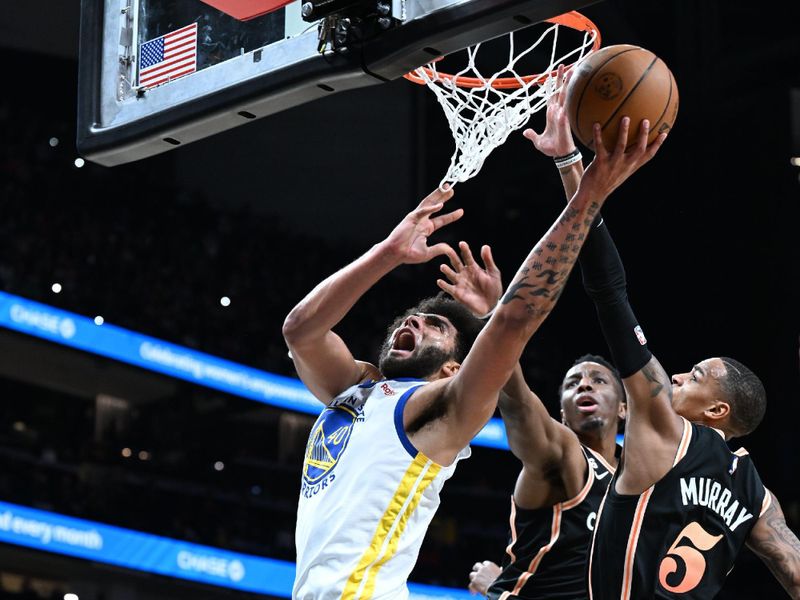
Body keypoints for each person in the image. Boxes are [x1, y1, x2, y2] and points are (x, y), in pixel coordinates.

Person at [283, 111, 664, 597]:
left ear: (452, 368)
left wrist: (587, 192)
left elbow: (513, 323)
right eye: (411, 319)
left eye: (436, 325)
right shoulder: (355, 389)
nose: (413, 321)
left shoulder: (436, 407)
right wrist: (390, 251)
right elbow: (301, 331)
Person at [570, 124, 800, 597]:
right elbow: (795, 572)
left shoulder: (667, 429)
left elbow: (610, 294)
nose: (677, 375)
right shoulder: (758, 498)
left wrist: (571, 169)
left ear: (718, 410)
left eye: (695, 376)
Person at [439, 69, 626, 599]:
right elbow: (519, 404)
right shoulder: (563, 455)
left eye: (595, 379)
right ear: (562, 410)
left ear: (625, 407)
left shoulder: (643, 483)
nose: (582, 386)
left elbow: (608, 276)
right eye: (571, 383)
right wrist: (492, 323)